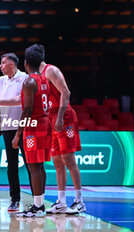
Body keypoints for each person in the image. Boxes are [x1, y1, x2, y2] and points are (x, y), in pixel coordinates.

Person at [38, 44, 86, 214]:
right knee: (57, 161)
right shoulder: (38, 75)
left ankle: (79, 201)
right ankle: (61, 202)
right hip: (51, 119)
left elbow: (66, 92)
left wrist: (59, 117)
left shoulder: (51, 71)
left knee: (68, 159)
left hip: (63, 117)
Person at [12, 44, 51, 217]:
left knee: (33, 166)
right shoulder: (45, 79)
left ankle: (38, 207)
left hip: (34, 125)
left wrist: (18, 133)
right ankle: (40, 203)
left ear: (26, 63)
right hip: (44, 122)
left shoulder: (29, 81)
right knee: (40, 166)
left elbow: (27, 110)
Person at [0, 53, 33, 211]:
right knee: (12, 165)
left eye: (3, 63)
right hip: (7, 127)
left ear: (12, 64)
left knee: (31, 164)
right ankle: (15, 199)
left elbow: (20, 100)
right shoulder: (0, 81)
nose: (0, 66)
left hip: (23, 127)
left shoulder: (24, 78)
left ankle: (37, 199)